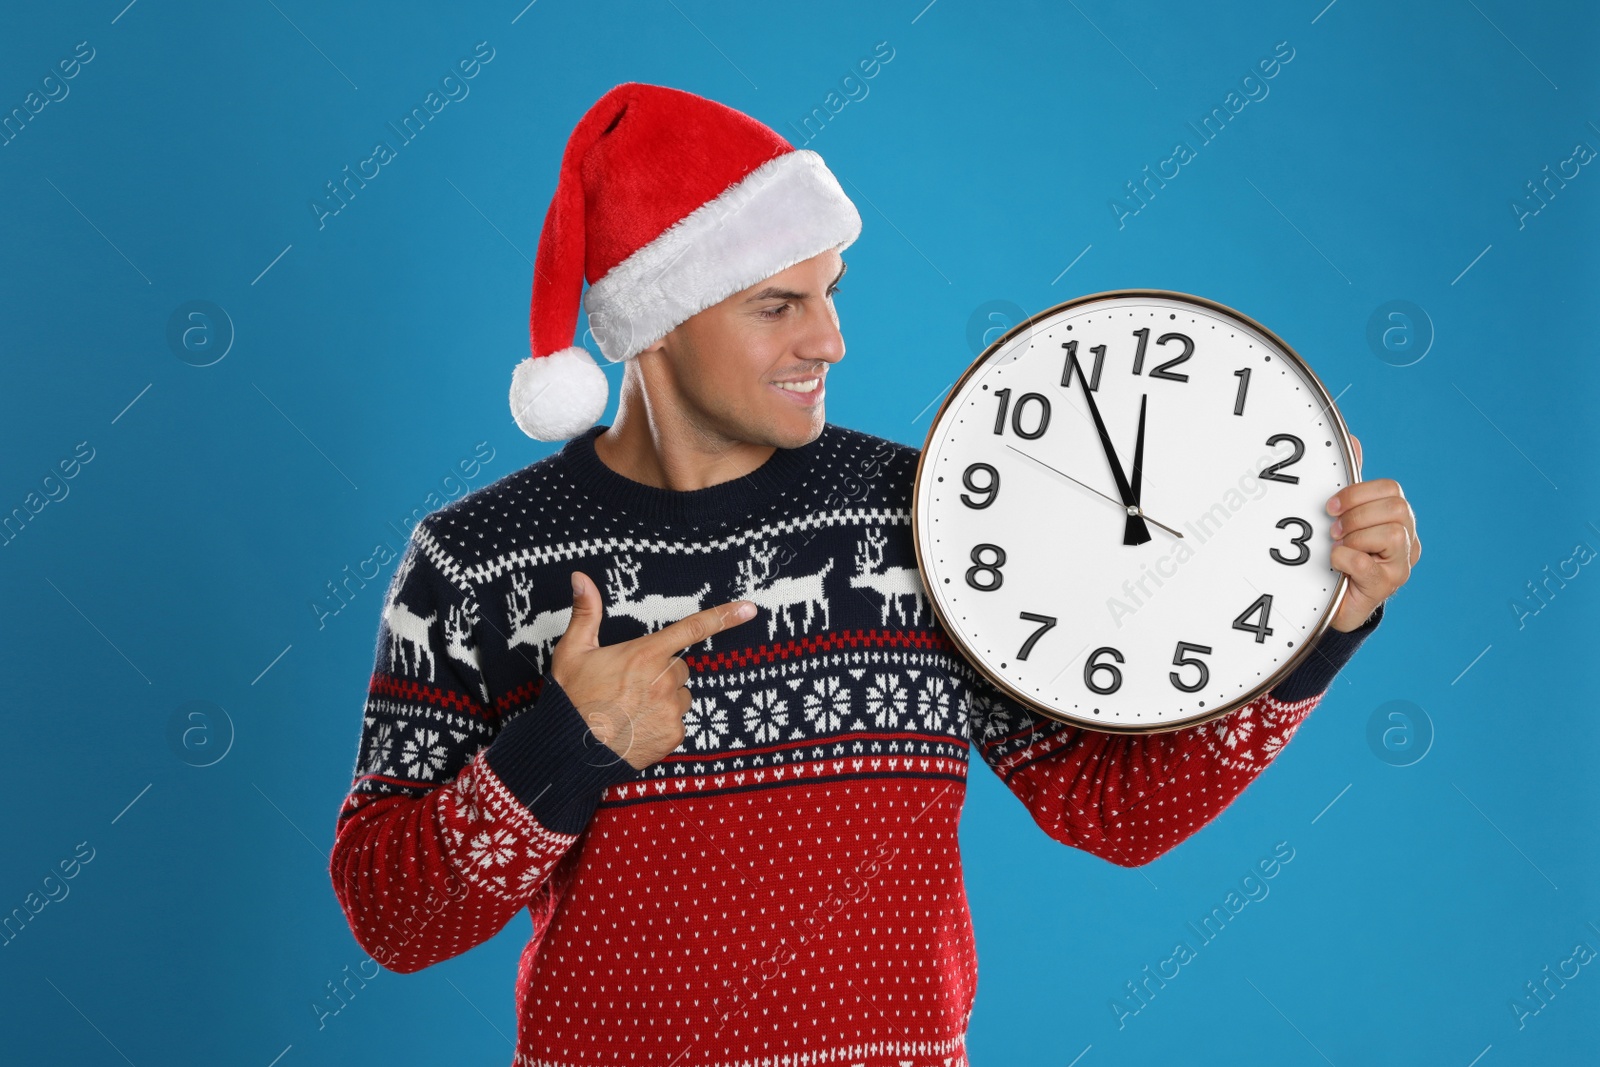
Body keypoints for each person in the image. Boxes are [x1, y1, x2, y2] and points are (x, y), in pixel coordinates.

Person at [328, 82, 1418, 1066]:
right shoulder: (473, 561)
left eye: (831, 291)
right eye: (777, 305)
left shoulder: (927, 516)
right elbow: (393, 918)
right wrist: (562, 746)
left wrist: (1320, 630)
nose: (832, 340)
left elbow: (1110, 808)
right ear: (654, 319)